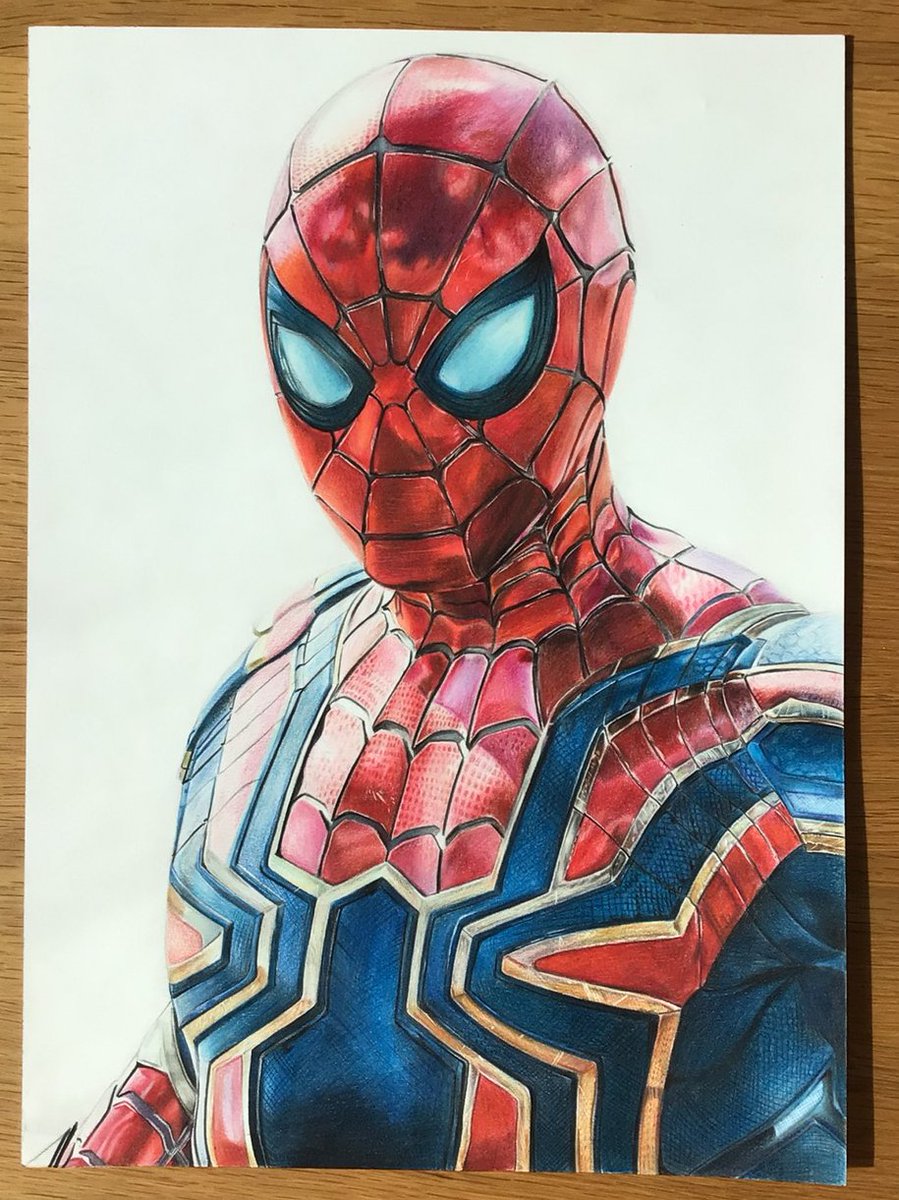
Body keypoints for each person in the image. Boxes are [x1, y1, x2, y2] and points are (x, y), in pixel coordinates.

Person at [56, 54, 845, 1181]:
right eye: (322, 365)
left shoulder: (783, 722)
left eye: (469, 353)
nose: (388, 440)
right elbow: (200, 1049)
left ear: (598, 303)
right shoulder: (259, 705)